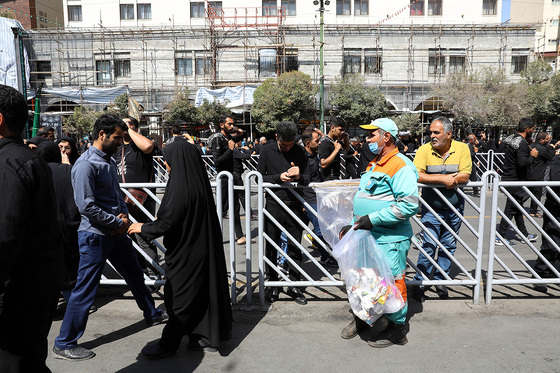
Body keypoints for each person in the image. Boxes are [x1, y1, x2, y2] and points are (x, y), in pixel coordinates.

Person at [53, 114, 167, 361]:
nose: (120, 142)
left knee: (135, 275)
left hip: (115, 233)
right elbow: (86, 206)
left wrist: (123, 219)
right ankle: (64, 343)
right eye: (117, 137)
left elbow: (116, 196)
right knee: (85, 289)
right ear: (102, 135)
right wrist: (118, 222)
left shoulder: (106, 160)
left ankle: (152, 313)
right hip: (95, 236)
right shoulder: (85, 164)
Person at [128, 140, 232, 359]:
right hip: (201, 248)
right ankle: (201, 335)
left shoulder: (180, 187)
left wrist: (142, 227)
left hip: (185, 253)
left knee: (179, 299)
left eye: (167, 161)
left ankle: (168, 343)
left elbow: (166, 223)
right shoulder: (197, 181)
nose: (166, 165)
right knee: (202, 292)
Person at [339, 118, 419, 348]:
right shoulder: (375, 162)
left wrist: (372, 219)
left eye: (372, 134)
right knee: (365, 279)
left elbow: (409, 205)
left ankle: (397, 329)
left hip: (389, 238)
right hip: (368, 235)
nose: (367, 138)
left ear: (386, 137)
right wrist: (354, 223)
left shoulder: (401, 165)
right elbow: (369, 198)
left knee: (392, 282)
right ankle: (365, 318)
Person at [0, 84, 64, 373]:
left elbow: (5, 236)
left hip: (17, 293)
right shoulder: (28, 160)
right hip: (36, 286)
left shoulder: (8, 164)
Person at [411, 117, 472, 302]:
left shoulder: (462, 148)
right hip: (431, 208)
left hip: (455, 208)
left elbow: (465, 174)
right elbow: (416, 174)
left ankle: (440, 280)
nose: (432, 136)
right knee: (428, 245)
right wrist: (443, 178)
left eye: (436, 132)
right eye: (431, 132)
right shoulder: (424, 149)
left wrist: (449, 178)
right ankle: (420, 282)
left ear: (448, 134)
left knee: (448, 246)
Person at [257, 121, 311, 305]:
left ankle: (295, 284)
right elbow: (258, 177)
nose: (288, 148)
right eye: (284, 145)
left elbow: (309, 177)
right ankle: (272, 285)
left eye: (291, 144)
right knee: (271, 245)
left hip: (295, 204)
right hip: (273, 203)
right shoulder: (266, 151)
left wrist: (299, 176)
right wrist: (277, 178)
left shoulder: (300, 151)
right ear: (276, 138)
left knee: (295, 246)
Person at [113, 116, 160, 279]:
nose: (125, 126)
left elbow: (148, 146)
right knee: (125, 238)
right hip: (121, 200)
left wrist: (130, 131)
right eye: (123, 124)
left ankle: (155, 273)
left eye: (129, 123)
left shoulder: (139, 145)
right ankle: (140, 273)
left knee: (142, 237)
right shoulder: (117, 148)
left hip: (140, 201)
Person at [37, 141, 81, 304]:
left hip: (45, 227)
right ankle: (74, 303)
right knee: (70, 267)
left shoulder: (37, 170)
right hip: (70, 225)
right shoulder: (68, 170)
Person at [496, 118, 540, 246]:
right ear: (527, 129)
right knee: (510, 209)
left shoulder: (511, 139)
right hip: (514, 180)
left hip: (508, 177)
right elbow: (522, 163)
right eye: (533, 129)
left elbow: (505, 152)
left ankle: (524, 234)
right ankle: (501, 236)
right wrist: (532, 155)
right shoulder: (521, 143)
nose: (533, 131)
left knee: (517, 207)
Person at [532, 148, 560, 293]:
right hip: (555, 206)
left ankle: (556, 272)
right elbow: (555, 179)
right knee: (551, 243)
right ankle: (540, 274)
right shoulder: (557, 160)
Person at [208, 114, 244, 215]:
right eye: (229, 124)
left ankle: (239, 232)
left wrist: (240, 134)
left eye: (233, 124)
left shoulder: (230, 138)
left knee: (235, 207)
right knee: (221, 208)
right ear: (222, 125)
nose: (231, 126)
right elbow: (217, 162)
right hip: (224, 178)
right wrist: (230, 150)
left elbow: (238, 138)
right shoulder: (218, 139)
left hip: (233, 175)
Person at [527, 132, 555, 217]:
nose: (548, 140)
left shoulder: (532, 145)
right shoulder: (542, 148)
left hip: (529, 172)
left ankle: (517, 206)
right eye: (547, 139)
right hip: (538, 173)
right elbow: (551, 156)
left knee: (526, 192)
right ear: (541, 139)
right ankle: (533, 211)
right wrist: (551, 147)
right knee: (536, 193)